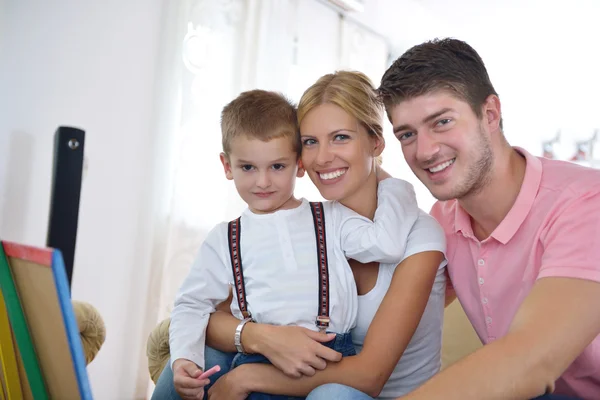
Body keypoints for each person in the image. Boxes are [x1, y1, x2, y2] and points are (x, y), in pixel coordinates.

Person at [196, 71, 447, 399]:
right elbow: (211, 317)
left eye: (340, 137)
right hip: (305, 381)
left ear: (375, 141)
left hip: (368, 393)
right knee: (197, 364)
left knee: (333, 395)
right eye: (310, 142)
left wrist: (245, 378)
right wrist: (262, 337)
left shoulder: (420, 234)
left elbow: (370, 376)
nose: (322, 157)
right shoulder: (307, 221)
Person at [373, 38, 600, 400]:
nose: (425, 151)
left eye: (442, 122)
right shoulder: (444, 220)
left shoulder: (586, 203)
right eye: (407, 134)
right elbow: (388, 312)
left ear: (490, 114)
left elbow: (532, 361)